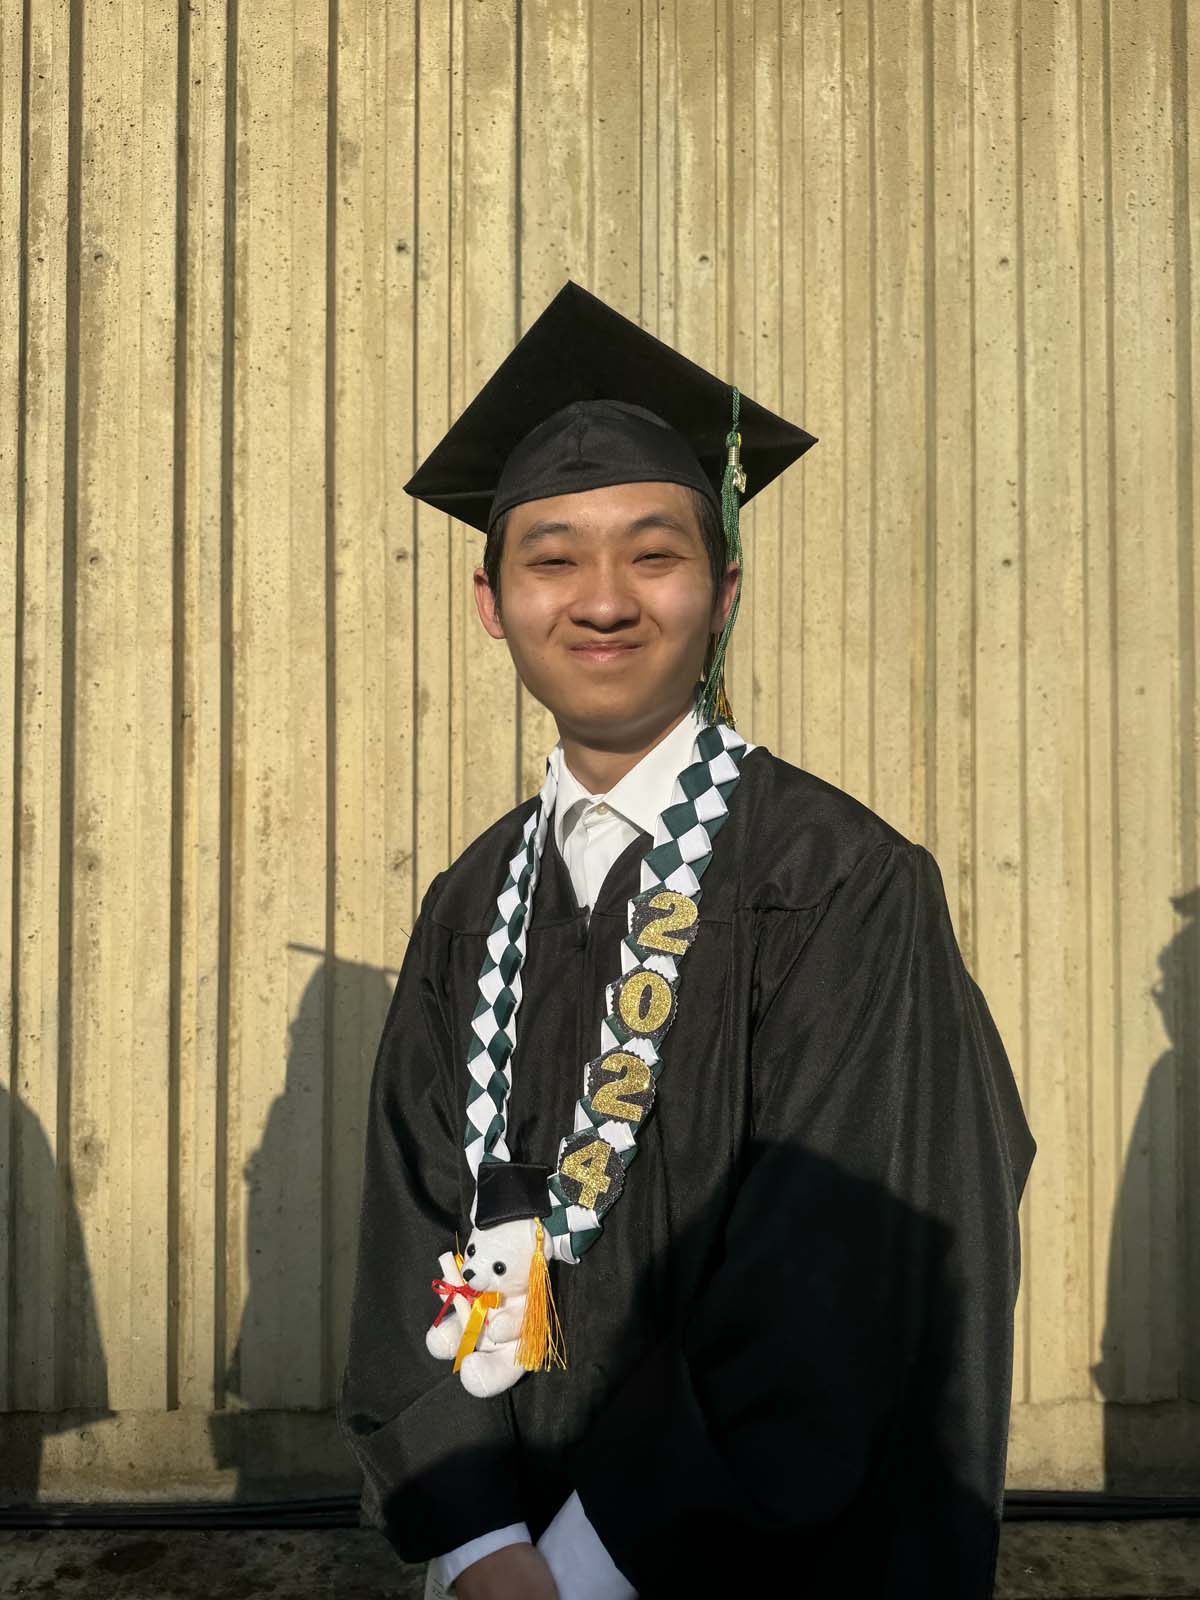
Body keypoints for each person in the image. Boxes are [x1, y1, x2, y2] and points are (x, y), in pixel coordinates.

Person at [336, 282, 1035, 1599]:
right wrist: (481, 1542)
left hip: (757, 1562)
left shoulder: (841, 886)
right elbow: (415, 1227)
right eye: (552, 558)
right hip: (500, 1557)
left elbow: (842, 1279)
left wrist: (582, 1568)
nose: (602, 599)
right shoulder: (473, 904)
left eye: (651, 553)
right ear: (494, 605)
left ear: (722, 591)